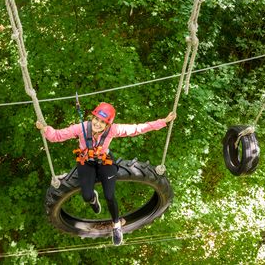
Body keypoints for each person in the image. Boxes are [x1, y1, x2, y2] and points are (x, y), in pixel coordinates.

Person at [36, 102, 176, 246]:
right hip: (86, 161)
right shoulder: (82, 127)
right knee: (86, 195)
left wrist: (163, 122)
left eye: (102, 122)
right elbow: (57, 136)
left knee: (109, 195)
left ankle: (116, 225)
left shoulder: (113, 130)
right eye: (96, 119)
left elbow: (137, 129)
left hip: (105, 162)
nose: (97, 123)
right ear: (92, 117)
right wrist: (45, 129)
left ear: (108, 124)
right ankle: (93, 199)